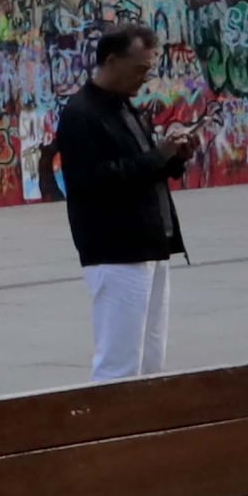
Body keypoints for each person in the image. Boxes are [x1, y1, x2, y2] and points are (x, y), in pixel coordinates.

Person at [54, 24, 198, 381]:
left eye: (149, 69)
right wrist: (159, 154)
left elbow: (144, 169)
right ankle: (111, 431)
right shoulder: (81, 113)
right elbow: (95, 182)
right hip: (117, 250)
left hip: (151, 244)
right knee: (119, 363)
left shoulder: (125, 108)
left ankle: (146, 429)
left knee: (151, 360)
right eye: (139, 69)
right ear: (112, 61)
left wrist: (175, 155)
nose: (144, 78)